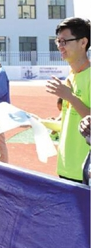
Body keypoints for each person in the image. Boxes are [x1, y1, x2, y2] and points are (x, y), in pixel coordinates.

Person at [45, 17, 90, 182]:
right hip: (66, 167)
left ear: (83, 42)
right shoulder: (71, 76)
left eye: (64, 41)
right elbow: (73, 118)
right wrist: (48, 124)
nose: (60, 46)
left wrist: (69, 96)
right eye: (58, 41)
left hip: (84, 170)